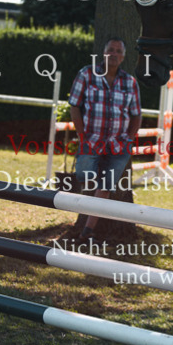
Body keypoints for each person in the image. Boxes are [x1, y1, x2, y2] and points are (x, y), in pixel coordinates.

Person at [68, 37, 142, 239]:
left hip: (118, 146)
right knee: (84, 177)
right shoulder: (87, 74)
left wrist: (129, 137)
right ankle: (85, 219)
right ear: (104, 52)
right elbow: (74, 105)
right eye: (111, 50)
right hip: (91, 141)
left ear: (124, 56)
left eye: (119, 51)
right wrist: (82, 135)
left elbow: (137, 114)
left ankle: (87, 231)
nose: (114, 54)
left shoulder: (130, 82)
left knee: (106, 187)